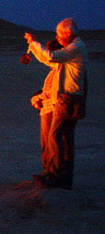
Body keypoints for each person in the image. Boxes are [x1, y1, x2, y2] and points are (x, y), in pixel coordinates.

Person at [23, 18, 88, 189]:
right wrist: (33, 45)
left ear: (68, 33)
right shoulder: (73, 49)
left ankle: (57, 177)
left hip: (68, 99)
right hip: (69, 99)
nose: (57, 37)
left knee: (55, 137)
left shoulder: (76, 48)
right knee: (63, 139)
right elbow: (49, 60)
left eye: (59, 34)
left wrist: (36, 44)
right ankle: (60, 177)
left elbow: (51, 56)